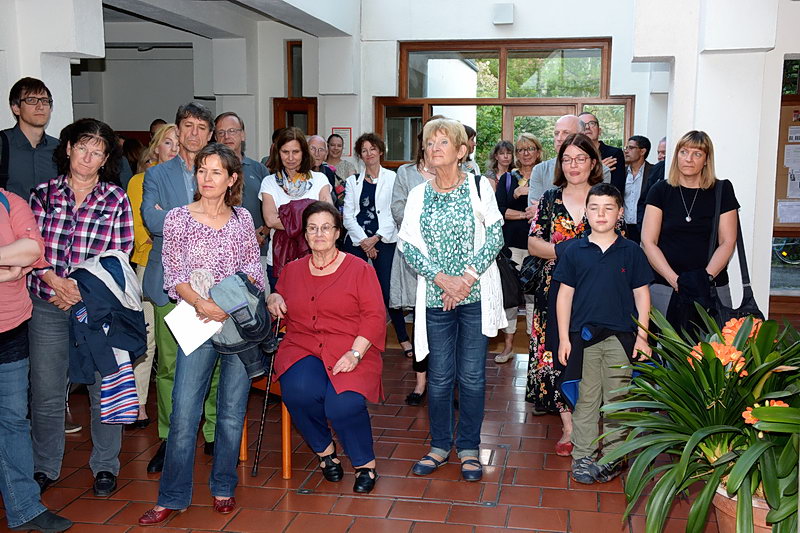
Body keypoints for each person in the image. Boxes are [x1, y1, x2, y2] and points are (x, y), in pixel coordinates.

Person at [137, 143, 264, 525]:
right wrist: (203, 304)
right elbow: (173, 274)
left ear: (232, 179)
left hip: (236, 325)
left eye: (216, 171)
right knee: (184, 411)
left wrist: (225, 305)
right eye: (202, 170)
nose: (207, 178)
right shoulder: (178, 218)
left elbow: (253, 272)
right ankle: (172, 496)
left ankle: (223, 486)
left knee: (231, 412)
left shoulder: (242, 218)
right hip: (196, 323)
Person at [28, 118, 133, 496]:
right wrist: (52, 280)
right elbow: (31, 246)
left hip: (97, 308)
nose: (88, 157)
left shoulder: (115, 199)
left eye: (97, 152)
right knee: (47, 390)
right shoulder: (42, 194)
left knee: (105, 387)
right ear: (69, 148)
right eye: (83, 148)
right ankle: (44, 466)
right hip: (47, 303)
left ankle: (105, 465)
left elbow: (120, 255)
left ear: (106, 159)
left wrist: (79, 289)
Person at [399, 118, 505, 482]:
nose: (434, 148)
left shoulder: (479, 186)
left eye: (442, 142)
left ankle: (470, 448)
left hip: (474, 297)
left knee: (472, 377)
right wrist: (443, 280)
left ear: (461, 151)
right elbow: (407, 245)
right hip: (435, 297)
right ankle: (440, 446)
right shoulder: (418, 194)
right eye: (430, 143)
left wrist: (465, 280)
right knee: (440, 377)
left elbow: (495, 236)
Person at [267, 201, 386, 494]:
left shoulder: (359, 269)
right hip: (303, 345)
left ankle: (365, 464)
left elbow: (374, 317)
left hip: (351, 348)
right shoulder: (292, 270)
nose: (319, 234)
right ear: (305, 234)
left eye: (325, 228)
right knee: (298, 392)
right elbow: (280, 296)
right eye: (312, 228)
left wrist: (355, 353)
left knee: (343, 404)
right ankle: (325, 452)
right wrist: (273, 298)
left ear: (337, 233)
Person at [554, 183, 652, 485]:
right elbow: (564, 296)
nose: (601, 214)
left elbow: (642, 295)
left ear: (620, 213)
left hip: (621, 338)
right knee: (586, 398)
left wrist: (643, 336)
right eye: (594, 208)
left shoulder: (632, 252)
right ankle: (583, 455)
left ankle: (613, 456)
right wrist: (564, 338)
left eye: (608, 208)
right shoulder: (574, 251)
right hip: (583, 338)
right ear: (586, 211)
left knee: (617, 398)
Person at [141, 102, 219, 473]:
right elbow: (151, 220)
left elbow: (225, 220)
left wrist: (173, 217)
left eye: (201, 127)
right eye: (187, 126)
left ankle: (213, 433)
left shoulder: (219, 170)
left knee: (214, 364)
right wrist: (195, 217)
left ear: (210, 134)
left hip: (212, 285)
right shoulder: (157, 174)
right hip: (169, 284)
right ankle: (171, 437)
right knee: (169, 366)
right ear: (178, 129)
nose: (194, 133)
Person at [526, 133, 610, 457]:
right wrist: (569, 250)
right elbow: (534, 243)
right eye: (567, 159)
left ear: (592, 162)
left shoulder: (605, 197)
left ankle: (589, 421)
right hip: (553, 290)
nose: (573, 165)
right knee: (556, 356)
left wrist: (571, 251)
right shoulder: (550, 198)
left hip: (595, 291)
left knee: (591, 356)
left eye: (580, 158)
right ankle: (569, 427)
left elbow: (618, 241)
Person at [0, 187, 73, 532]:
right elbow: (18, 256)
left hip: (10, 329)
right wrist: (7, 266)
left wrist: (19, 263)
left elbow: (32, 250)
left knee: (14, 420)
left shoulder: (10, 201)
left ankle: (24, 508)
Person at [641, 130, 738, 329]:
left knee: (715, 346)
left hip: (711, 288)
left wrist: (703, 279)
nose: (689, 159)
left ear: (706, 160)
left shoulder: (722, 190)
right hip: (666, 288)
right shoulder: (660, 190)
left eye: (697, 154)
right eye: (683, 152)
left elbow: (728, 241)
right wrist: (675, 280)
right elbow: (648, 241)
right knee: (665, 346)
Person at [126, 123, 179, 428]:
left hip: (183, 269)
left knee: (178, 342)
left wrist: (162, 219)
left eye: (177, 143)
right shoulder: (140, 181)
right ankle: (138, 405)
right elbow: (141, 229)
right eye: (167, 142)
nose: (173, 148)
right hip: (149, 266)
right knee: (147, 339)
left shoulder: (190, 179)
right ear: (156, 148)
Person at [342, 133, 412, 356]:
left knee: (388, 292)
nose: (369, 153)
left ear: (380, 151)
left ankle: (402, 338)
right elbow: (348, 216)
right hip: (357, 241)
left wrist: (376, 238)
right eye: (364, 150)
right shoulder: (352, 181)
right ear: (360, 155)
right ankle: (353, 339)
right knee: (353, 293)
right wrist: (365, 241)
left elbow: (395, 211)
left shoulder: (393, 178)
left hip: (385, 239)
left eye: (372, 149)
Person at [389, 130, 437, 406]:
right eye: (429, 141)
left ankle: (445, 382)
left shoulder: (457, 173)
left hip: (447, 261)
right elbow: (398, 209)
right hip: (414, 256)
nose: (434, 146)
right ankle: (420, 383)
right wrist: (423, 228)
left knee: (445, 323)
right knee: (420, 323)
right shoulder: (406, 173)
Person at [260, 127, 332, 290]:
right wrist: (311, 220)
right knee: (280, 305)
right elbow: (270, 220)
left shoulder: (320, 180)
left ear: (304, 153)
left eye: (296, 152)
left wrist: (287, 217)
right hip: (279, 260)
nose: (291, 158)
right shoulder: (269, 182)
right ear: (278, 153)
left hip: (316, 258)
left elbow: (327, 216)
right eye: (285, 152)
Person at [492, 134, 542, 364]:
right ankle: (508, 346)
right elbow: (499, 211)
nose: (525, 153)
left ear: (538, 152)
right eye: (520, 149)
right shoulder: (508, 179)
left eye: (530, 148)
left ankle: (534, 348)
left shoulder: (546, 176)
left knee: (534, 297)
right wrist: (524, 214)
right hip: (512, 247)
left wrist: (533, 204)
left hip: (538, 246)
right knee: (511, 297)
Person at [213, 112, 270, 271]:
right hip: (219, 254)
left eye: (232, 131)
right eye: (221, 132)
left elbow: (274, 207)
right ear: (215, 138)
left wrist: (263, 233)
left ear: (243, 135)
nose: (227, 136)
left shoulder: (259, 170)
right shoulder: (209, 171)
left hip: (258, 251)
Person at [1, 77, 59, 198]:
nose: (40, 106)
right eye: (31, 100)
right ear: (16, 108)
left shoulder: (59, 148)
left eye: (45, 101)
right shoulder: (3, 144)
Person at [578, 112, 625, 195]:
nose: (587, 127)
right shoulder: (572, 155)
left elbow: (617, 189)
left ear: (599, 130)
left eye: (592, 123)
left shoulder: (614, 154)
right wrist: (599, 169)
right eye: (583, 124)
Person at [622, 135, 655, 243]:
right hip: (624, 227)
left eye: (631, 148)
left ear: (642, 151)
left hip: (644, 226)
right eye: (626, 148)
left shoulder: (653, 172)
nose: (626, 151)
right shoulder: (622, 172)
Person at [308, 135, 342, 206]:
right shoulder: (300, 173)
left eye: (321, 150)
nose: (317, 154)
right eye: (313, 149)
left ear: (326, 153)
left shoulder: (328, 173)